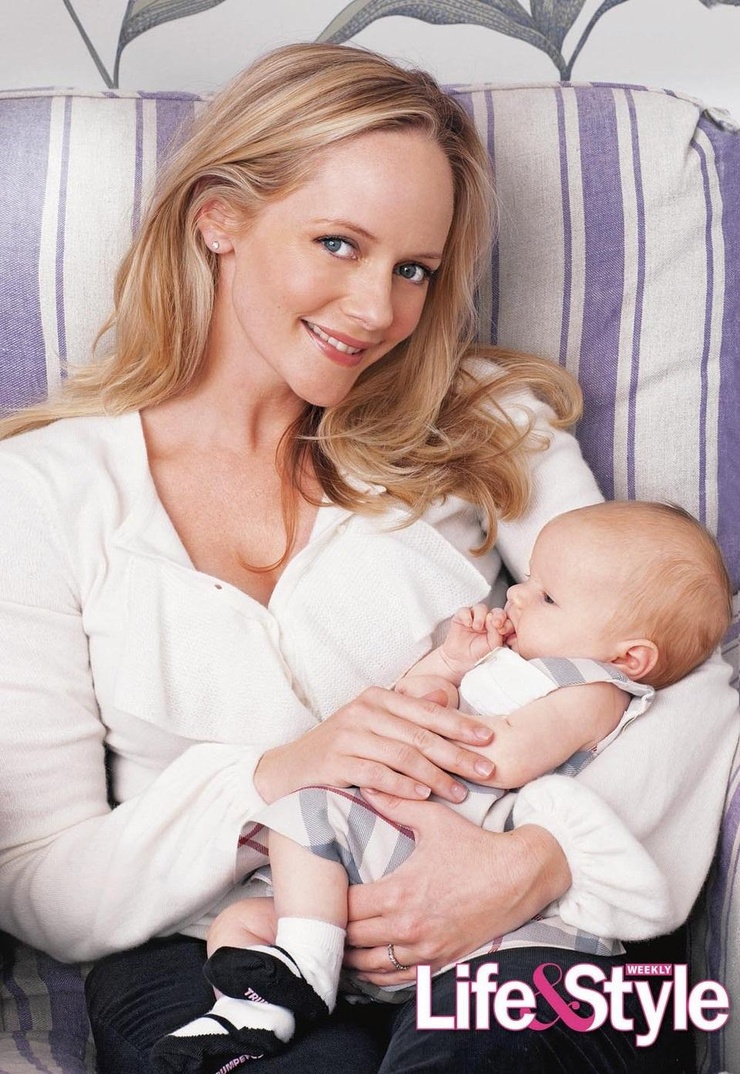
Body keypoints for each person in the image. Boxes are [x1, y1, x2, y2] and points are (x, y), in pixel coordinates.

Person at [0, 41, 736, 1074]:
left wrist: (536, 864)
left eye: (411, 270)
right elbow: (41, 881)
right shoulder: (42, 493)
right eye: (337, 243)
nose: (376, 311)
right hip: (225, 940)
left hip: (511, 922)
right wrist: (275, 774)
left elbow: (681, 670)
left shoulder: (484, 424)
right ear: (218, 217)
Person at [151, 499, 732, 1071]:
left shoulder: (591, 689)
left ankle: (307, 967)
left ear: (630, 656)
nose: (517, 596)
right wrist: (449, 668)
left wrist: (437, 721)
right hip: (383, 867)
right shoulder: (513, 660)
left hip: (463, 881)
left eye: (547, 597)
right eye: (528, 579)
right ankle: (262, 1003)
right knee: (242, 923)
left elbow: (502, 759)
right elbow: (411, 702)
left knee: (308, 811)